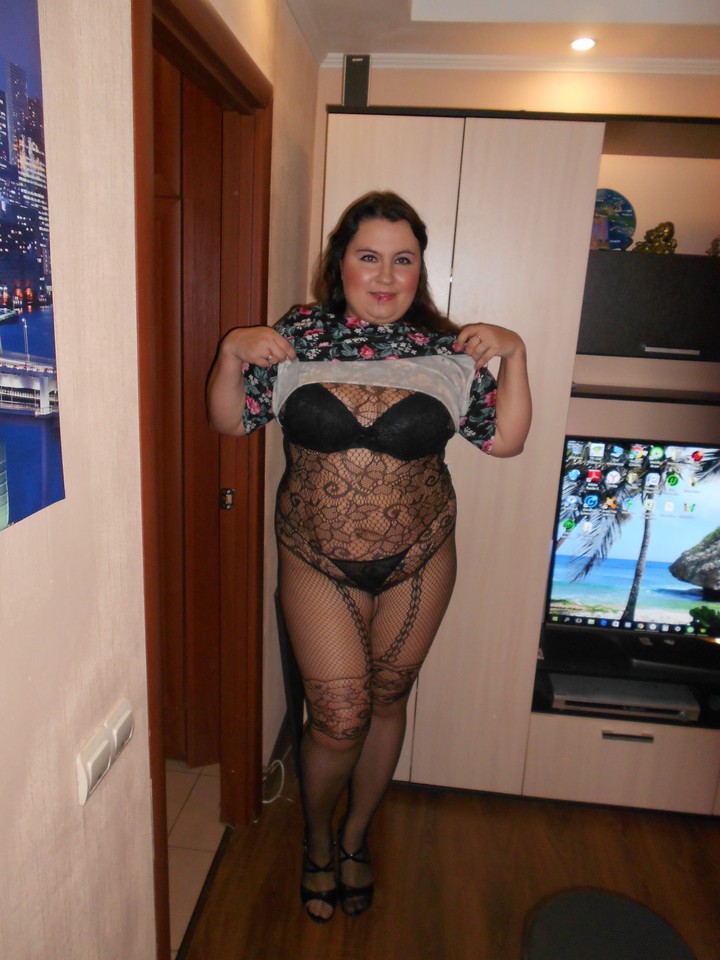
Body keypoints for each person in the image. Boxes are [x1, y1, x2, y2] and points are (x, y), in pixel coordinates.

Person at [206, 191, 532, 923]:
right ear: (341, 265)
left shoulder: (449, 350)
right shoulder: (296, 336)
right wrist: (231, 351)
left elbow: (506, 440)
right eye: (368, 257)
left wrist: (515, 354)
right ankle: (318, 837)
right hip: (315, 560)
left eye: (403, 260)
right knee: (339, 718)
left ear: (420, 271)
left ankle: (356, 835)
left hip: (421, 559)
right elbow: (229, 420)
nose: (385, 276)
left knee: (388, 701)